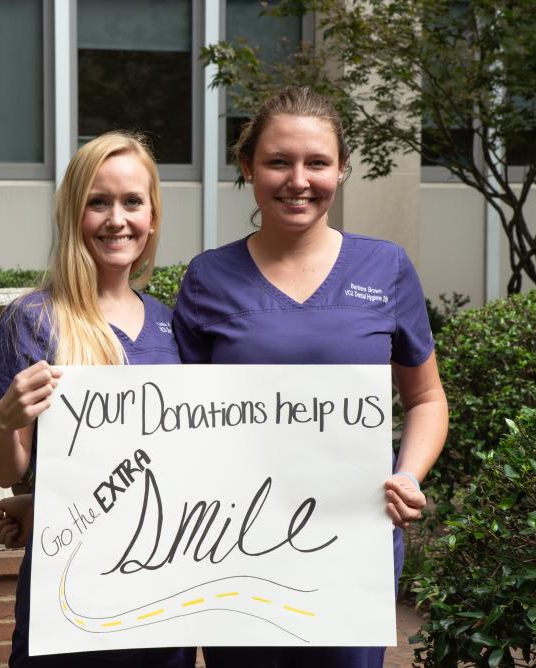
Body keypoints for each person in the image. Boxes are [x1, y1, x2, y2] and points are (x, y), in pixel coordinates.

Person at [171, 87, 448, 667]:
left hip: (353, 535)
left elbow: (425, 398)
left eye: (317, 162)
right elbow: (176, 421)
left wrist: (409, 474)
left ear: (341, 169)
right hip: (233, 544)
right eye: (278, 161)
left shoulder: (387, 268)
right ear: (248, 168)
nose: (298, 179)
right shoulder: (208, 277)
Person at [0, 131, 195, 668]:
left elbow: (181, 467)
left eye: (132, 202)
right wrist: (3, 420)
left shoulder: (173, 325)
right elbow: (9, 466)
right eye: (98, 202)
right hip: (68, 595)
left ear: (153, 217)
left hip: (162, 592)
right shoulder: (34, 320)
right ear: (73, 214)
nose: (116, 219)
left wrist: (41, 507)